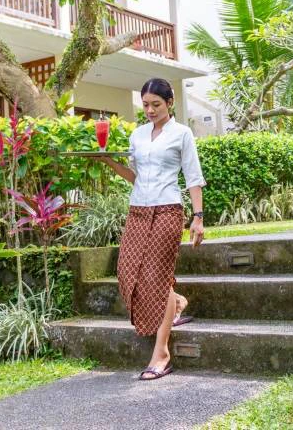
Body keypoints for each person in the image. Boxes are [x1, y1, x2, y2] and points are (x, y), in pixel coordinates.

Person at [100, 78, 206, 381]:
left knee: (157, 278)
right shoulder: (137, 135)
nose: (149, 110)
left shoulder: (182, 133)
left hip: (168, 210)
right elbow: (135, 176)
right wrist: (107, 160)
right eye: (145, 104)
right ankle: (176, 302)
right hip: (138, 210)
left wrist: (198, 217)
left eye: (156, 104)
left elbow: (193, 177)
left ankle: (161, 353)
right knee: (127, 271)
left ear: (169, 102)